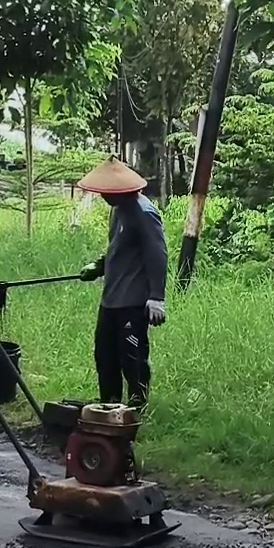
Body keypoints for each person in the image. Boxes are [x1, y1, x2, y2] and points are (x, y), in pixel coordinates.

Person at [75, 157, 167, 410]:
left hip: (133, 302)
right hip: (111, 300)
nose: (104, 196)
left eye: (108, 192)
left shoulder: (144, 212)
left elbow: (157, 253)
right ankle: (109, 407)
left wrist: (157, 297)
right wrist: (99, 265)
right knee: (105, 356)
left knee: (132, 358)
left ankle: (137, 408)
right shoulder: (118, 210)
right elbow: (120, 250)